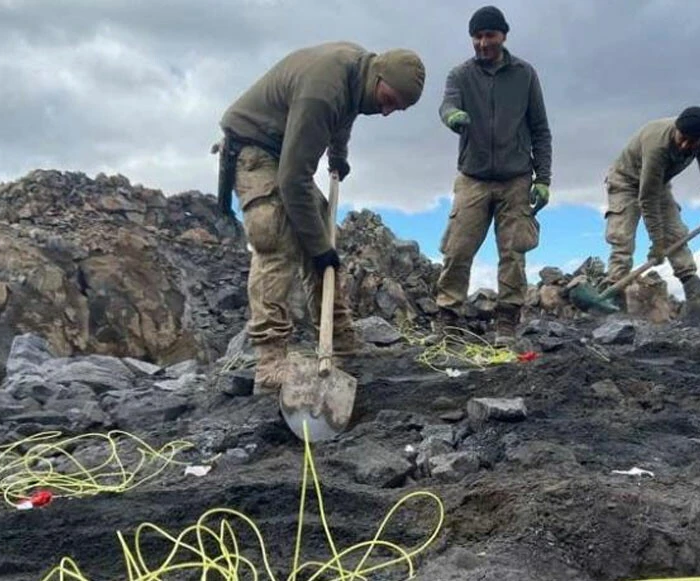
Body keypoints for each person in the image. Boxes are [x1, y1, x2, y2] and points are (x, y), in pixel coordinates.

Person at [215, 41, 426, 395]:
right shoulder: (323, 91)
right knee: (277, 236)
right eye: (388, 101)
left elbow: (345, 115)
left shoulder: (357, 75)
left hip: (284, 150)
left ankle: (340, 345)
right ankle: (270, 363)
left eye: (397, 109)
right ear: (378, 76)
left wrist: (338, 154)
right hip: (255, 148)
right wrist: (317, 248)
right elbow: (292, 179)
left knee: (324, 234)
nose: (388, 112)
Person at [434, 5, 552, 345]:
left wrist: (543, 179)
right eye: (477, 36)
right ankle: (447, 319)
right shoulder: (460, 75)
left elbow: (540, 129)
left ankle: (506, 322)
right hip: (473, 177)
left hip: (516, 179)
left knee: (513, 252)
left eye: (489, 35)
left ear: (503, 35)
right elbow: (446, 104)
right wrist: (452, 115)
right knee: (457, 249)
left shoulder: (525, 75)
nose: (483, 43)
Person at [601, 106, 700, 310]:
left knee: (676, 233)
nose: (685, 145)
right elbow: (647, 198)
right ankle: (614, 294)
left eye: (692, 141)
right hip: (625, 182)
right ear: (677, 129)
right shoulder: (657, 144)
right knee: (622, 237)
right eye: (683, 138)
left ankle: (694, 289)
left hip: (659, 183)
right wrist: (657, 243)